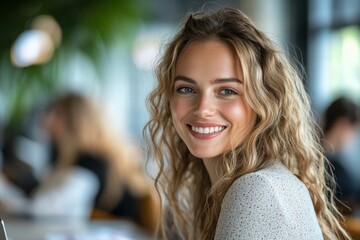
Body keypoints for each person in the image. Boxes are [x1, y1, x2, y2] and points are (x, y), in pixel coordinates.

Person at [143, 7, 350, 240]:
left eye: (227, 90)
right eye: (187, 89)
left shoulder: (257, 190)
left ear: (263, 101)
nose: (202, 108)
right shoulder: (218, 187)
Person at [0, 92, 159, 232]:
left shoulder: (92, 163)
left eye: (54, 113)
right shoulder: (78, 159)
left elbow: (41, 210)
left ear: (72, 121)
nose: (45, 120)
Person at [322, 96, 360, 213]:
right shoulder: (333, 167)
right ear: (343, 124)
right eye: (354, 130)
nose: (354, 138)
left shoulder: (308, 157)